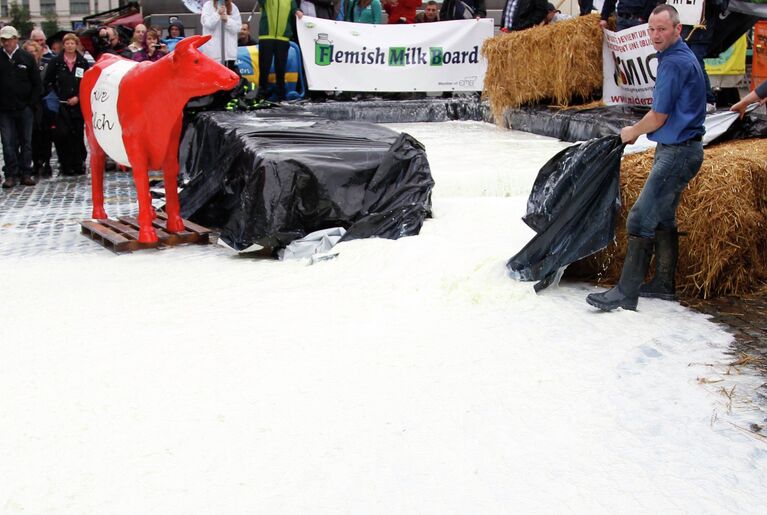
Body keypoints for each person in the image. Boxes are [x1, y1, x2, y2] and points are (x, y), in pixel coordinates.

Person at [586, 5, 706, 311]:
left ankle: (626, 293)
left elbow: (658, 116)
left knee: (640, 217)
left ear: (677, 29)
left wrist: (633, 132)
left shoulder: (674, 63)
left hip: (678, 153)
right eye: (651, 29)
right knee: (664, 217)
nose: (655, 35)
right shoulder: (677, 56)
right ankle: (664, 285)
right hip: (681, 149)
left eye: (662, 29)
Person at [0, 25, 42, 188]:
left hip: (24, 107)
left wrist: (30, 104)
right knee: (8, 142)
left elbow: (37, 84)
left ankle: (26, 172)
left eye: (9, 40)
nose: (6, 43)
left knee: (26, 141)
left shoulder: (26, 57)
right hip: (4, 109)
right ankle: (10, 174)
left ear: (15, 39)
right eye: (3, 40)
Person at [43, 33, 90, 177]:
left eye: (72, 43)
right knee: (63, 134)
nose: (70, 46)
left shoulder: (82, 62)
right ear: (64, 45)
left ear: (76, 45)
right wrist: (56, 97)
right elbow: (48, 82)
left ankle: (79, 162)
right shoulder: (56, 62)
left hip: (77, 104)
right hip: (61, 104)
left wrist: (78, 97)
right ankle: (66, 164)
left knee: (77, 133)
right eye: (67, 43)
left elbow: (86, 83)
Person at [257, 0, 303, 101]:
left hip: (283, 38)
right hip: (267, 36)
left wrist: (298, 12)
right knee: (264, 67)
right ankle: (262, 94)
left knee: (281, 68)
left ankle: (280, 95)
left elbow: (295, 9)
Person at [22, 39, 54, 179]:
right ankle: (36, 162)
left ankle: (46, 161)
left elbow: (49, 84)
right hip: (29, 104)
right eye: (29, 52)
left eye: (35, 51)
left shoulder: (45, 66)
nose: (33, 54)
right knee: (32, 135)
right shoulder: (23, 67)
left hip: (44, 104)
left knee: (45, 134)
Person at [200, 0, 241, 70]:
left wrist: (227, 20)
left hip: (229, 55)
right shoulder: (207, 6)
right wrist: (217, 14)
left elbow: (237, 28)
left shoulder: (233, 7)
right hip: (213, 54)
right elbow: (208, 24)